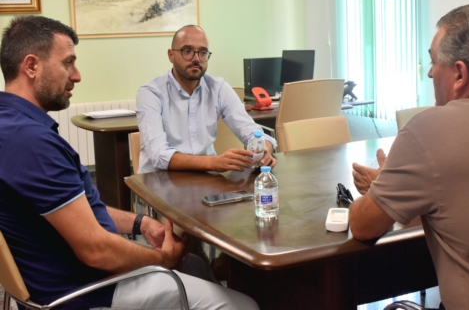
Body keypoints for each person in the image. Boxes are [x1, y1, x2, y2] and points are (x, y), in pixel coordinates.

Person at [0, 16, 259, 310]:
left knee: (196, 266)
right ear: (32, 66)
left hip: (73, 273)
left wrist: (140, 222)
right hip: (87, 291)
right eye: (68, 62)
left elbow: (78, 210)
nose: (77, 75)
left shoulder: (13, 125)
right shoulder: (30, 142)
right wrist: (162, 260)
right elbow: (96, 250)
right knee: (244, 305)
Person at [349, 3, 469, 310]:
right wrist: (400, 191)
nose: (429, 72)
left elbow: (362, 225)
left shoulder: (432, 129)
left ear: (459, 74)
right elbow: (461, 206)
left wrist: (381, 187)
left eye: (433, 62)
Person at [136, 24, 277, 174]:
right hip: (159, 183)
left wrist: (264, 149)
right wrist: (214, 162)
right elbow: (158, 155)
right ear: (171, 55)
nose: (196, 59)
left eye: (203, 52)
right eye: (187, 51)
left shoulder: (218, 88)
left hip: (207, 181)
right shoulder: (150, 93)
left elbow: (252, 132)